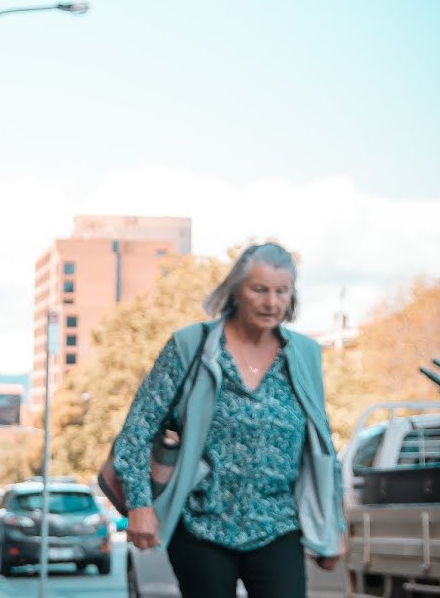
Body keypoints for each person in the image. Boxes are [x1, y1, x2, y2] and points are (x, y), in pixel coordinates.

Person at [112, 243, 344, 598]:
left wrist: (335, 526)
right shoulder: (190, 346)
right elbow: (137, 430)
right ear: (236, 290)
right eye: (260, 289)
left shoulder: (304, 355)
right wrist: (139, 505)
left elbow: (322, 446)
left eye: (282, 291)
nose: (271, 303)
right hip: (201, 525)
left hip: (278, 524)